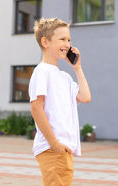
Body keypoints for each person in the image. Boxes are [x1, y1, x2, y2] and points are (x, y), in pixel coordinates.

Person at [29, 17, 92, 186]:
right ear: (45, 42)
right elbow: (36, 109)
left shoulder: (64, 77)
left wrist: (77, 68)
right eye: (62, 39)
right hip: (52, 148)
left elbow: (85, 97)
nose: (68, 44)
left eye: (69, 39)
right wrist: (54, 143)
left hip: (64, 149)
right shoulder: (41, 72)